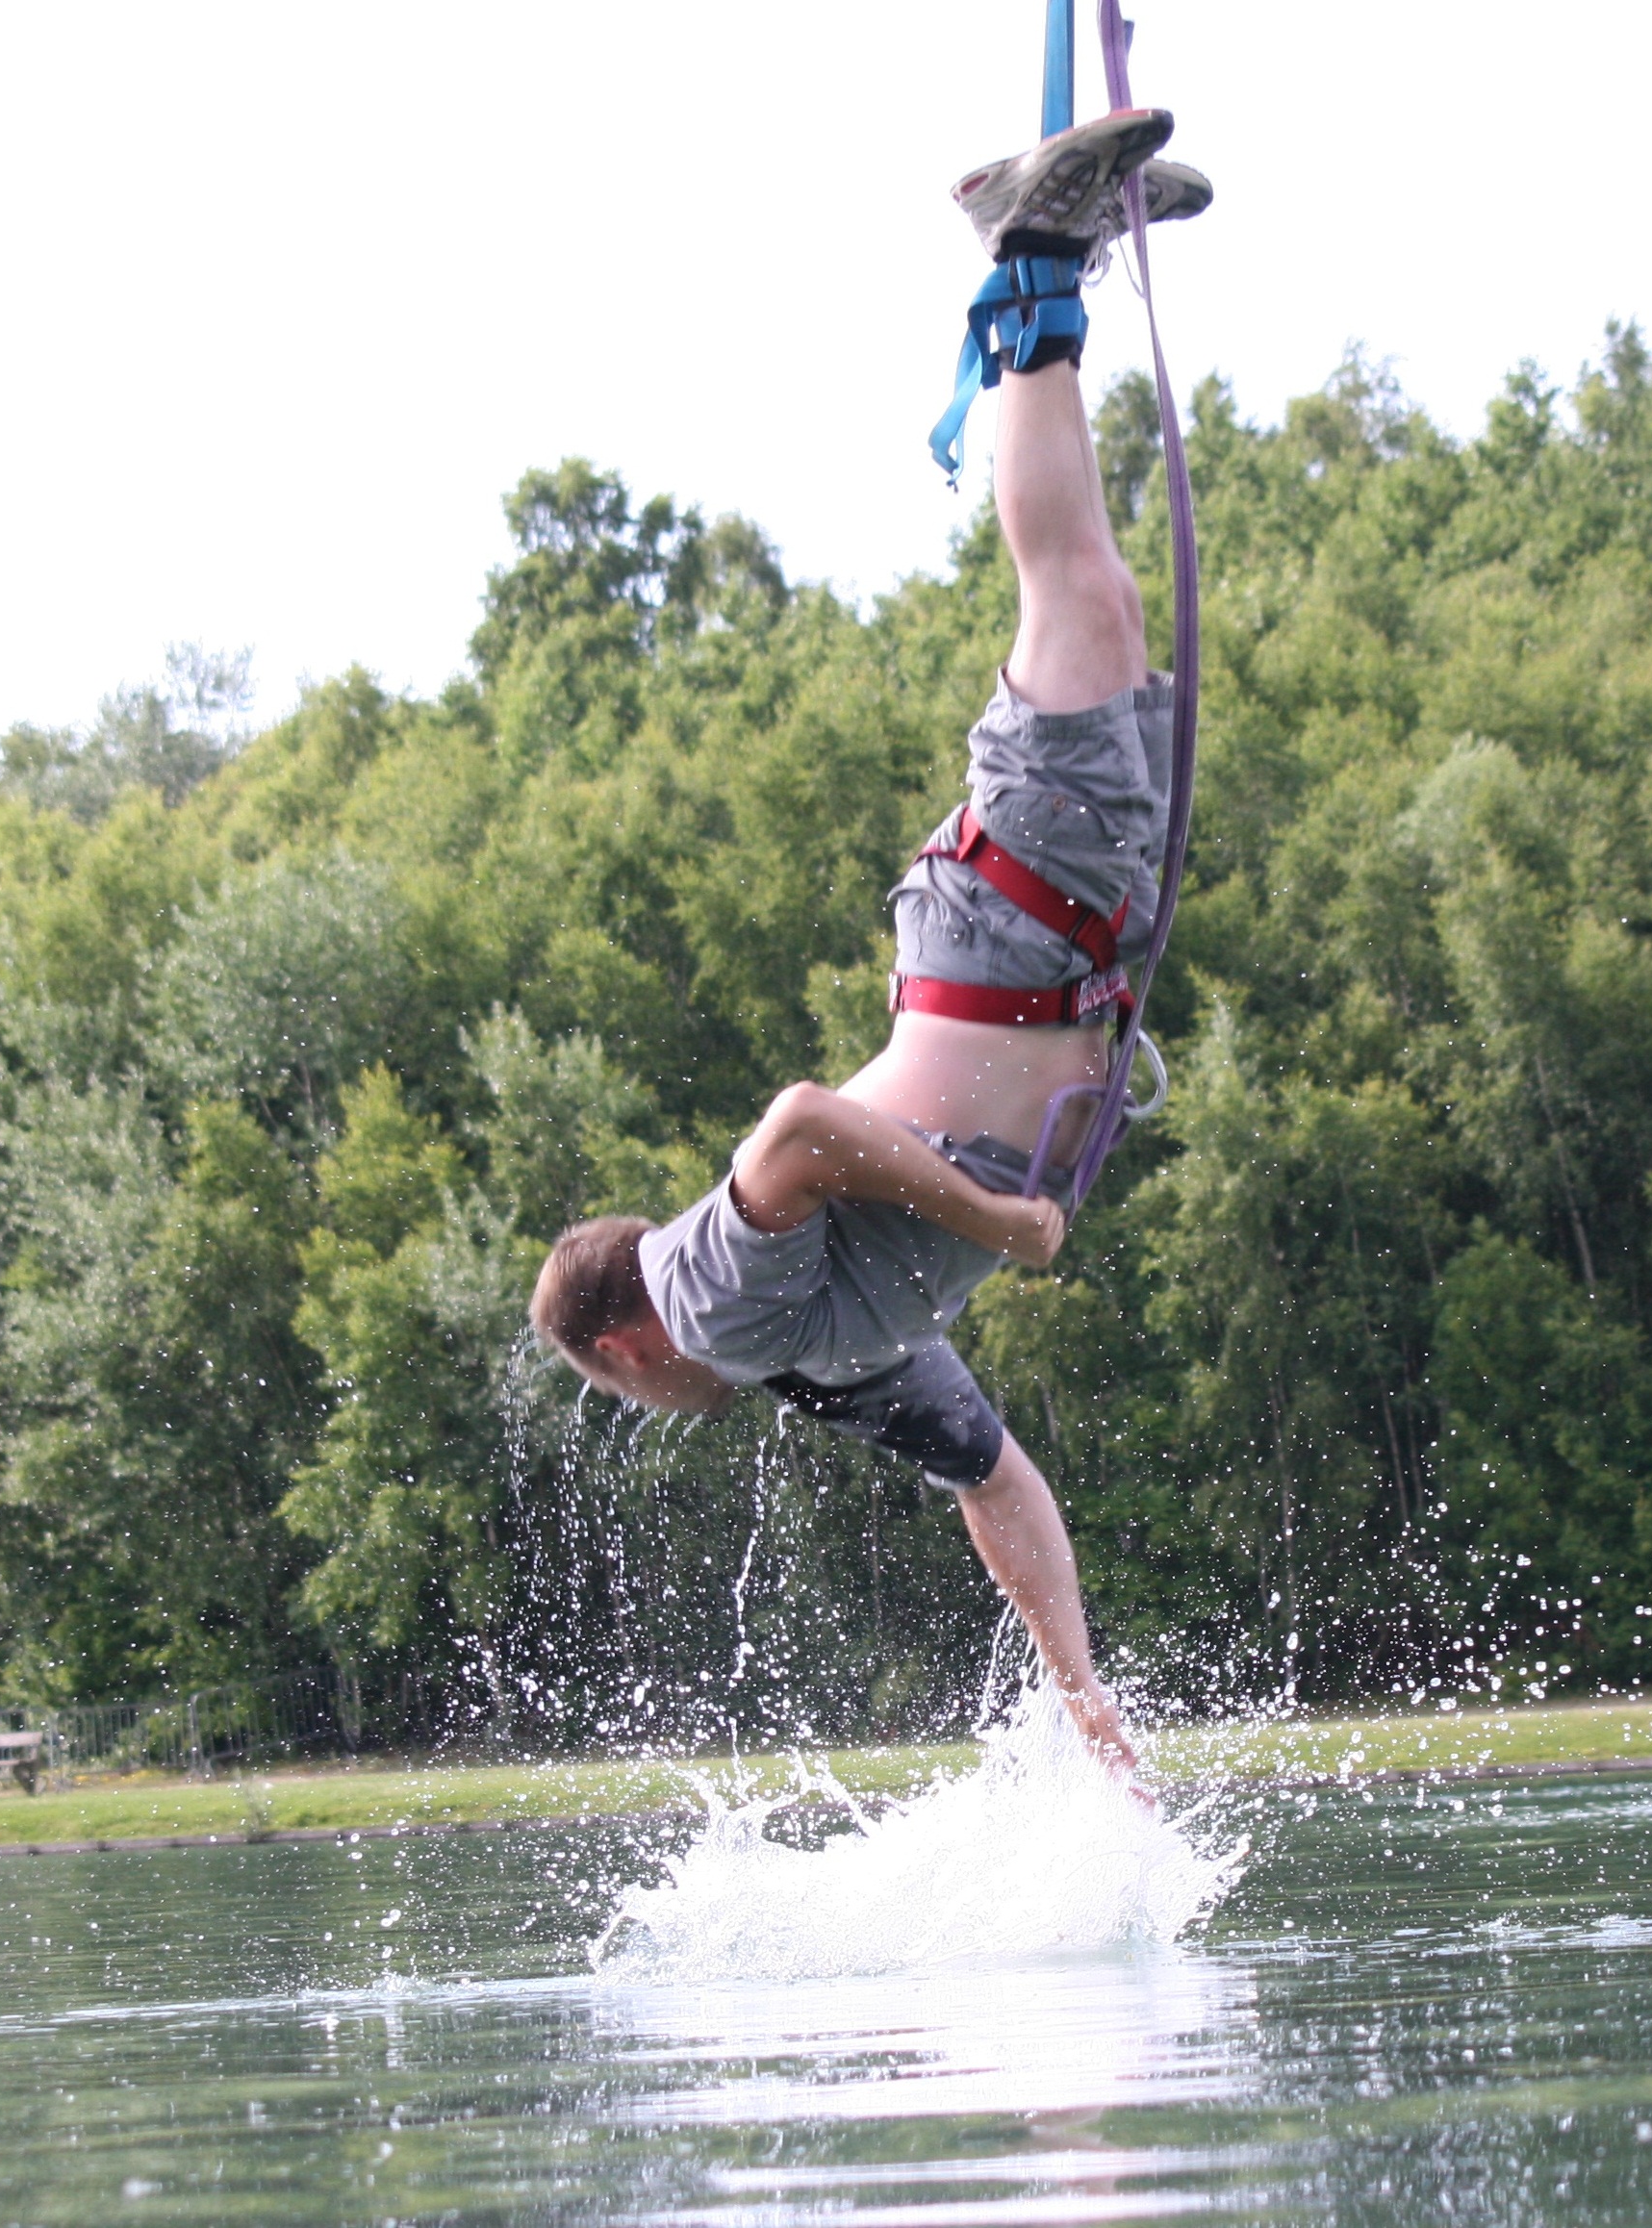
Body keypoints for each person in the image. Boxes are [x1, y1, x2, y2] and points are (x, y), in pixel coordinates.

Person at [530, 110, 1211, 1778]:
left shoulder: (705, 1298)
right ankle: (1055, 268)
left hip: (1009, 934)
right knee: (1098, 607)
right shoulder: (822, 1369)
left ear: (624, 1348)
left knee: (1077, 600)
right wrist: (1078, 1689)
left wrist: (999, 1218)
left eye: (623, 1395)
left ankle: (1032, 253)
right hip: (1065, 954)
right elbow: (997, 1481)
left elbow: (796, 1128)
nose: (650, 1410)